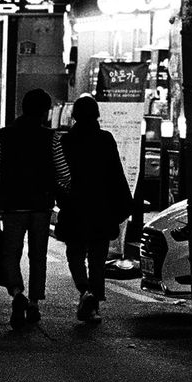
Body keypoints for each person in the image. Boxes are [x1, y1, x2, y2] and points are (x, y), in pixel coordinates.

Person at [0, 89, 70, 328]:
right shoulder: (51, 138)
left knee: (10, 253)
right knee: (38, 255)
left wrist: (2, 190)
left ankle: (17, 294)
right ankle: (34, 302)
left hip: (12, 205)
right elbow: (63, 172)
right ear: (44, 112)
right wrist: (61, 189)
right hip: (40, 205)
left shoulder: (4, 135)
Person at [55, 94, 134, 324]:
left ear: (75, 115)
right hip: (102, 206)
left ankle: (84, 290)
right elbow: (116, 174)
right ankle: (94, 304)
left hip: (75, 205)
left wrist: (61, 199)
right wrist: (124, 204)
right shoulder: (105, 139)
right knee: (98, 258)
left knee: (75, 252)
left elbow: (61, 175)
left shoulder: (66, 141)